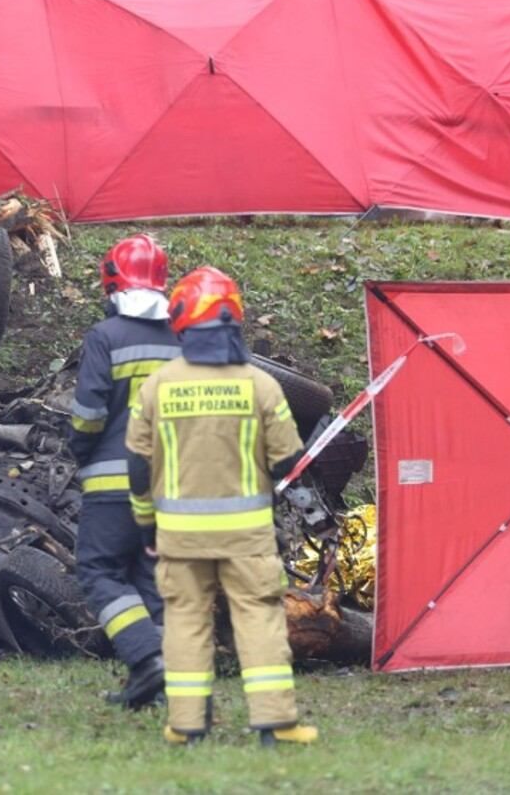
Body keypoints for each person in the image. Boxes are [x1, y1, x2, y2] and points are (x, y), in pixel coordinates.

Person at [125, 266, 319, 746]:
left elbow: (136, 466)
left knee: (186, 623)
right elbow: (289, 460)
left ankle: (187, 727)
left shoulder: (157, 386)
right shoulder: (261, 385)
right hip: (247, 536)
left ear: (182, 321)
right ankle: (275, 725)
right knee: (259, 619)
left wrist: (147, 526)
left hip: (178, 537)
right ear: (235, 319)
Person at [70, 234, 181, 709]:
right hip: (170, 487)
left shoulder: (105, 337)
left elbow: (88, 415)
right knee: (152, 580)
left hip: (114, 486)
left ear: (111, 282)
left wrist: (77, 447)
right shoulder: (183, 340)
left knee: (98, 570)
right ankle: (155, 686)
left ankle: (145, 659)